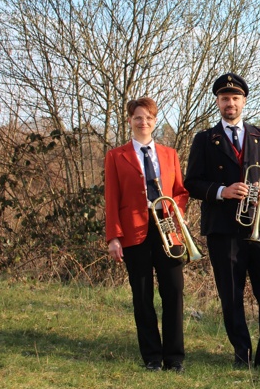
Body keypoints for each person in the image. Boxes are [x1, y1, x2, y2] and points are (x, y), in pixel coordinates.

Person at [184, 72, 260, 376]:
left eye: (235, 98)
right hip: (223, 228)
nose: (229, 103)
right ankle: (241, 355)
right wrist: (222, 191)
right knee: (231, 293)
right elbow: (192, 182)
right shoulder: (205, 139)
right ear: (218, 102)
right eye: (224, 98)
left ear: (243, 101)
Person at [105, 96, 189, 373]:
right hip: (134, 231)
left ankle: (174, 358)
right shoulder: (116, 156)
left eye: (149, 118)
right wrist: (113, 237)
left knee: (174, 291)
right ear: (130, 120)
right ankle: (152, 357)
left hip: (167, 228)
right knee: (142, 296)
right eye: (138, 117)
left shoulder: (169, 153)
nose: (144, 122)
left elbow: (180, 191)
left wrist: (177, 212)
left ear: (155, 121)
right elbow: (111, 198)